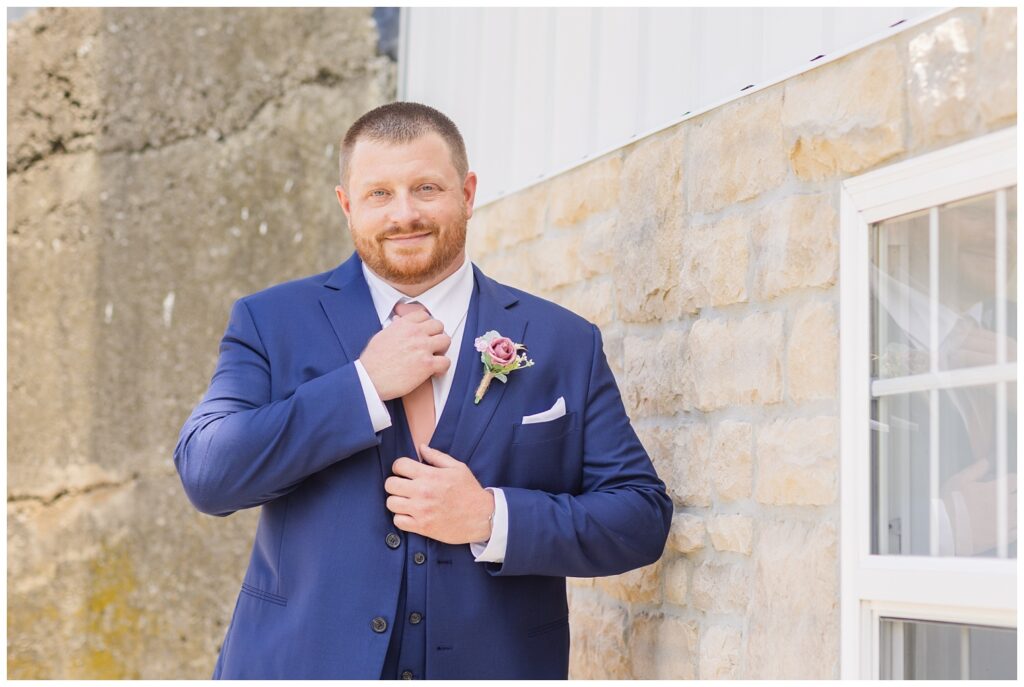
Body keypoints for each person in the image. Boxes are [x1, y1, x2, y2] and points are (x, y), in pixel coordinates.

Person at [173, 101, 672, 679]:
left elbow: (639, 517)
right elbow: (209, 474)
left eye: (426, 188)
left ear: (468, 191)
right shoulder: (270, 321)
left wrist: (491, 517)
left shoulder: (563, 341)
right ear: (346, 204)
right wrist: (362, 386)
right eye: (379, 193)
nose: (404, 214)